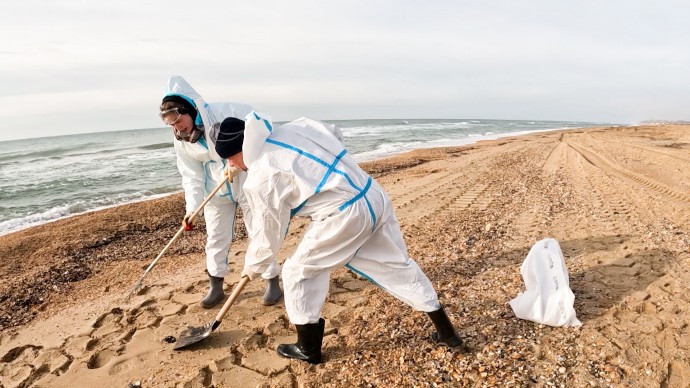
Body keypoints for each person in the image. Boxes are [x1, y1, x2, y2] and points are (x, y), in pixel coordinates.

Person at [214, 113, 463, 365]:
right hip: (370, 193)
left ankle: (307, 348)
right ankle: (447, 332)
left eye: (230, 159)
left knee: (298, 271)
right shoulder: (294, 128)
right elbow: (333, 133)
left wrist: (253, 265)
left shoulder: (261, 177)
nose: (232, 165)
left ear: (239, 150)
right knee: (396, 263)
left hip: (344, 213)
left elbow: (269, 229)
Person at [159, 75, 283, 308]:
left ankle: (272, 280)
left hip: (245, 182)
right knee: (216, 237)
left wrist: (241, 158)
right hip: (214, 191)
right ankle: (216, 286)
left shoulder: (227, 111)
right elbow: (191, 175)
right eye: (171, 124)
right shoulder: (181, 140)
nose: (177, 127)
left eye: (178, 120)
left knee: (258, 230)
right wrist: (192, 208)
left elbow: (260, 127)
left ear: (189, 110)